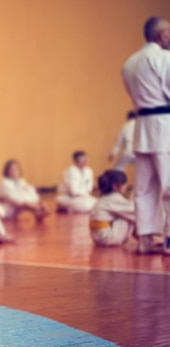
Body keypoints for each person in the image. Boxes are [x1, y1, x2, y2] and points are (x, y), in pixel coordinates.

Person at [122, 16, 170, 255]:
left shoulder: (129, 62)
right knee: (169, 184)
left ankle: (145, 239)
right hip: (164, 126)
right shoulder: (164, 58)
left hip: (142, 127)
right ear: (161, 35)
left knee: (144, 187)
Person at [89, 170, 136, 246]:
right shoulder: (115, 198)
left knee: (129, 213)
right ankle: (150, 240)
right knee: (134, 215)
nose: (126, 186)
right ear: (114, 186)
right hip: (107, 238)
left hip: (98, 238)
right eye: (124, 183)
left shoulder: (104, 197)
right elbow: (135, 210)